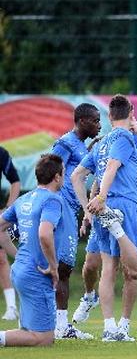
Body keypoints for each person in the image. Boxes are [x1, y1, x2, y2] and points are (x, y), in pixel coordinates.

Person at [71, 94, 137, 342]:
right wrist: (101, 196)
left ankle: (108, 327)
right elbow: (114, 165)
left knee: (108, 270)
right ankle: (123, 327)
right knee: (135, 269)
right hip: (124, 203)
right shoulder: (125, 137)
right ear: (131, 112)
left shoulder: (101, 142)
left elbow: (76, 176)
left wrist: (88, 208)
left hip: (104, 209)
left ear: (110, 116)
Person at [0, 154, 66, 347]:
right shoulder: (52, 200)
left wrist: (19, 255)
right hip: (37, 274)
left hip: (20, 271)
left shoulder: (23, 199)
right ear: (56, 177)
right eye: (63, 173)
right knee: (44, 339)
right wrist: (54, 267)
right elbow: (45, 234)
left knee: (29, 331)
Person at [50, 103, 100, 339]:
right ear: (82, 121)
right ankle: (59, 326)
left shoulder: (79, 146)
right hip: (61, 210)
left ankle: (54, 323)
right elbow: (50, 171)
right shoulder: (65, 143)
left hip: (69, 209)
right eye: (95, 121)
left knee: (62, 267)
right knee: (62, 268)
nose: (99, 125)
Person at [0, 146, 20, 321]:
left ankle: (12, 307)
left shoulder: (1, 153)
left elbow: (15, 181)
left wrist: (8, 209)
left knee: (1, 258)